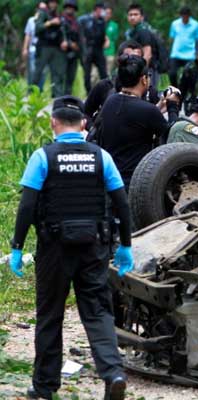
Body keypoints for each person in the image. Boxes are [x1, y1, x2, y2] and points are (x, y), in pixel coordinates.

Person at [8, 95, 133, 400]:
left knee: (50, 315)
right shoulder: (101, 156)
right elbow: (121, 202)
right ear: (84, 125)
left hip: (54, 249)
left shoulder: (42, 156)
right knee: (98, 312)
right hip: (94, 247)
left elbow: (27, 206)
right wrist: (125, 245)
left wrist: (17, 246)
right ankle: (113, 372)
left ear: (53, 123)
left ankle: (44, 386)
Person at [99, 54, 180, 190]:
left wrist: (158, 107)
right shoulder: (147, 110)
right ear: (143, 79)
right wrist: (172, 107)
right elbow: (174, 137)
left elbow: (133, 119)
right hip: (136, 182)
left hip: (110, 179)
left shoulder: (110, 102)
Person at [84, 40, 159, 121]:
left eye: (136, 60)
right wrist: (94, 129)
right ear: (119, 60)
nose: (131, 63)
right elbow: (85, 114)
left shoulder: (149, 91)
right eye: (127, 59)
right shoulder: (104, 86)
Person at [32, 0, 66, 97]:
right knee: (38, 71)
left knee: (57, 73)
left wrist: (63, 41)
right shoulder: (42, 13)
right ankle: (32, 94)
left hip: (56, 47)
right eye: (51, 2)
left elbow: (61, 31)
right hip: (44, 47)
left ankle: (57, 96)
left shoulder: (58, 15)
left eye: (55, 2)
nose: (53, 4)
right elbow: (37, 29)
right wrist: (50, 22)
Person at [125, 3, 159, 87]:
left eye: (136, 14)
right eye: (130, 15)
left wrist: (142, 72)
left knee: (148, 95)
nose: (132, 17)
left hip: (148, 69)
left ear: (142, 17)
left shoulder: (143, 31)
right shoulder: (133, 31)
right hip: (140, 68)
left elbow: (148, 53)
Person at [168, 6, 198, 87]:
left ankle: (189, 92)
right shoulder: (175, 24)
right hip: (176, 53)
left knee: (190, 75)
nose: (184, 18)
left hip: (190, 54)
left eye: (186, 16)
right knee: (172, 73)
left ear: (189, 16)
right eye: (183, 16)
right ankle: (175, 89)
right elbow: (171, 38)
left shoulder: (195, 24)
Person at [79, 2, 107, 94]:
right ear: (96, 10)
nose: (102, 12)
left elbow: (102, 35)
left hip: (98, 49)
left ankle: (106, 92)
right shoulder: (85, 19)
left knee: (103, 72)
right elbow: (81, 34)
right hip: (88, 49)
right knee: (87, 74)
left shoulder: (102, 21)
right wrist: (83, 50)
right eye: (101, 10)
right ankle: (89, 93)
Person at [23, 2, 47, 90]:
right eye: (40, 9)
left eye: (44, 9)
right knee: (32, 71)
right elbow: (28, 35)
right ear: (37, 9)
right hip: (33, 48)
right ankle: (31, 90)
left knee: (43, 71)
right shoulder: (31, 20)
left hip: (43, 49)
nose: (42, 11)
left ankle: (39, 91)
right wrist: (25, 48)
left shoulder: (47, 21)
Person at [60, 0, 81, 95]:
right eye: (68, 7)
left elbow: (80, 37)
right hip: (61, 53)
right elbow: (59, 35)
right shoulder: (61, 19)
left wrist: (77, 46)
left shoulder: (76, 22)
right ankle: (58, 96)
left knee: (70, 77)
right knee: (60, 76)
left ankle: (67, 95)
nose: (70, 9)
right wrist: (69, 43)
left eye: (72, 7)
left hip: (74, 53)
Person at [104, 6, 119, 72]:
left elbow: (115, 39)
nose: (107, 15)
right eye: (105, 13)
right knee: (94, 76)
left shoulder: (114, 25)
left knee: (108, 73)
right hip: (98, 53)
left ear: (111, 15)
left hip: (110, 52)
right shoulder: (97, 23)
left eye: (109, 13)